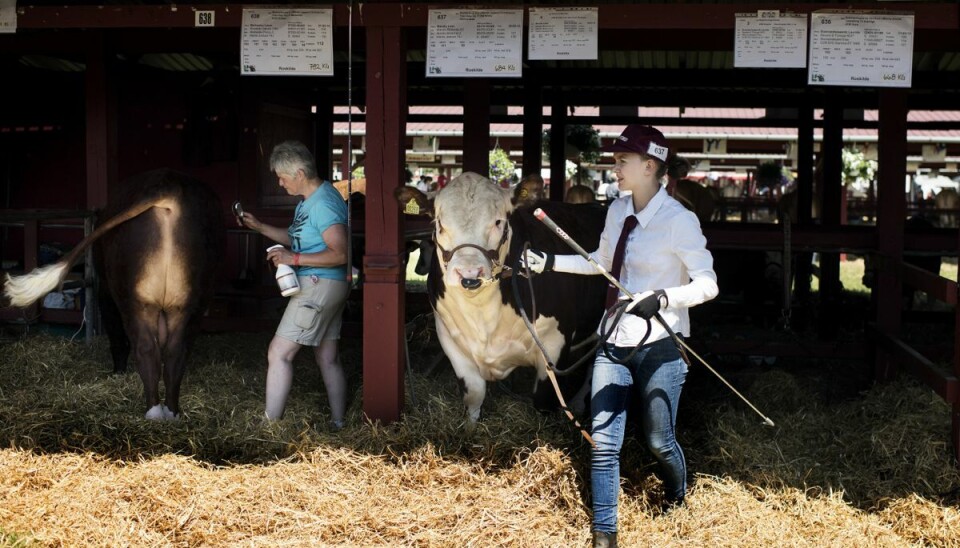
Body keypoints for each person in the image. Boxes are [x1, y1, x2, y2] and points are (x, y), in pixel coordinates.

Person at [522, 125, 718, 548]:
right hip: (614, 338)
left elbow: (707, 284)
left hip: (662, 344)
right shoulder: (617, 210)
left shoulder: (679, 221)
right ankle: (604, 534)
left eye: (622, 161)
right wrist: (548, 262)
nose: (616, 168)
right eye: (615, 161)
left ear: (650, 167)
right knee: (605, 443)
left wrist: (664, 297)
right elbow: (600, 264)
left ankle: (678, 498)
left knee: (658, 441)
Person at [237, 140, 350, 430]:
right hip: (328, 286)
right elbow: (296, 238)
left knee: (279, 352)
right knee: (328, 356)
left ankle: (269, 426)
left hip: (318, 285)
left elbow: (340, 253)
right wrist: (260, 227)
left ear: (299, 173)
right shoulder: (310, 201)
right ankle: (339, 422)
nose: (279, 181)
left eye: (282, 176)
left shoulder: (324, 204)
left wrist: (294, 258)